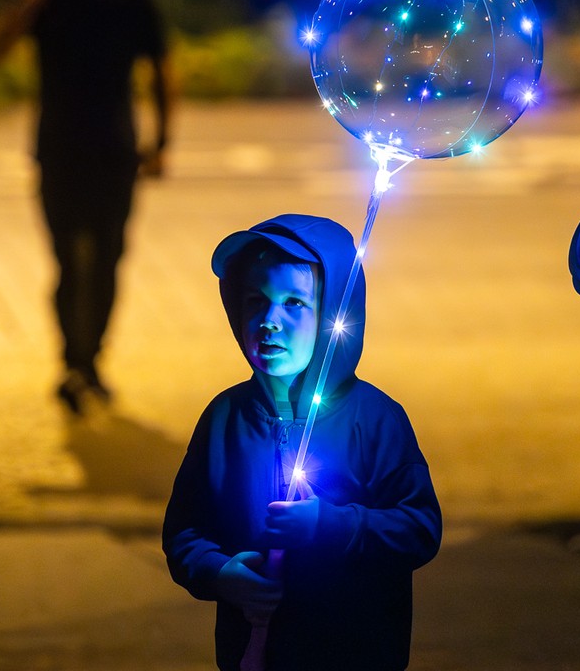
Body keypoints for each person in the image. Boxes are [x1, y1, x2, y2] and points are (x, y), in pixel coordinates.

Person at [163, 214, 441, 671]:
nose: (269, 321)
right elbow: (184, 531)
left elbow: (419, 528)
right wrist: (220, 572)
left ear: (332, 314)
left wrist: (329, 526)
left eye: (294, 303)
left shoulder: (374, 418)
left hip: (355, 655)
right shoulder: (225, 417)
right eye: (255, 300)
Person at [0, 0, 172, 415]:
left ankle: (92, 361)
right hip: (57, 152)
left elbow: (161, 69)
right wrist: (29, 1)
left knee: (108, 260)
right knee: (67, 261)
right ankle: (71, 362)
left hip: (115, 152)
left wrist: (162, 143)